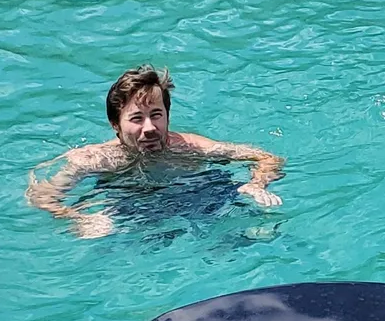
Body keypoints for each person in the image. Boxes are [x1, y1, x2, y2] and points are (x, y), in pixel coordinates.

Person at [27, 65, 285, 239]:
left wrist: (257, 184)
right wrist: (78, 218)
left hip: (194, 194)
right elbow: (41, 197)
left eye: (157, 115)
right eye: (137, 118)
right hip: (129, 203)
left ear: (168, 117)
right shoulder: (95, 159)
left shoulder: (190, 147)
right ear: (116, 124)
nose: (149, 128)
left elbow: (267, 157)